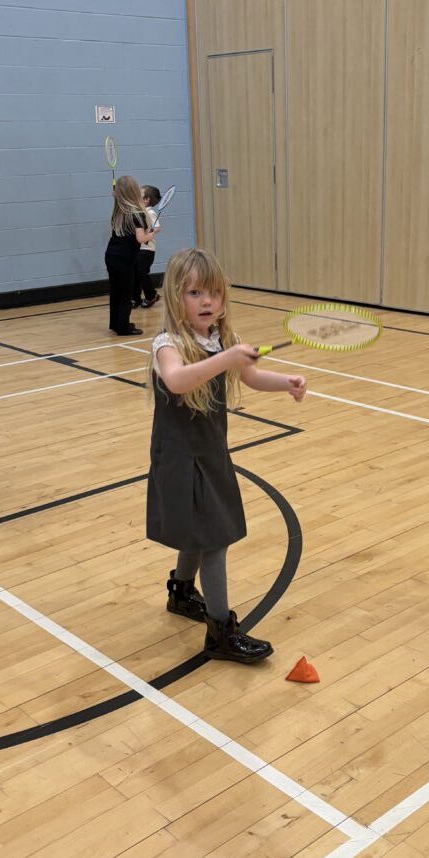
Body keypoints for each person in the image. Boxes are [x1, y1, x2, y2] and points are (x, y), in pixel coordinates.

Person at [147, 247, 306, 664]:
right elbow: (178, 380)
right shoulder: (168, 344)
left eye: (214, 292)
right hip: (181, 459)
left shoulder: (221, 340)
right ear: (175, 297)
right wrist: (225, 358)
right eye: (194, 293)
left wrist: (285, 382)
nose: (207, 301)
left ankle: (182, 592)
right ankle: (220, 630)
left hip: (211, 453)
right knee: (214, 538)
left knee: (201, 530)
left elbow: (251, 376)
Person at [105, 175, 154, 336]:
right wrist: (150, 235)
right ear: (134, 192)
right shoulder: (137, 213)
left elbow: (115, 195)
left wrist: (116, 191)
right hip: (125, 259)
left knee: (116, 290)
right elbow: (140, 238)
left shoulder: (118, 210)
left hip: (111, 255)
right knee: (126, 292)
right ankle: (123, 327)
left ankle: (116, 324)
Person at [133, 184, 161, 309]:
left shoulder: (150, 213)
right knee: (135, 274)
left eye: (139, 194)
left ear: (146, 200)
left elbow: (157, 227)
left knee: (141, 272)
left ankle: (151, 295)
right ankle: (135, 298)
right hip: (138, 249)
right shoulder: (140, 211)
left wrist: (150, 232)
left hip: (147, 250)